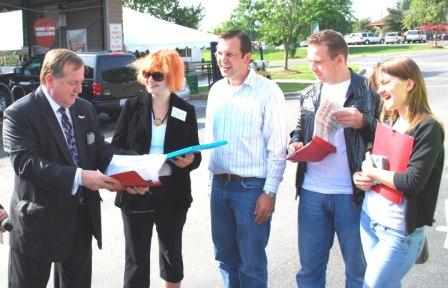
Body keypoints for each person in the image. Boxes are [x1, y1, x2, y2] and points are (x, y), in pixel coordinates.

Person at [2, 48, 123, 288]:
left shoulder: (84, 108)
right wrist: (80, 177)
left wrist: (130, 169)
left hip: (80, 221)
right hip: (36, 227)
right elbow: (26, 164)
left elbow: (99, 150)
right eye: (73, 82)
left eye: (81, 82)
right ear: (50, 80)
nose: (79, 89)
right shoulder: (19, 114)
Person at [288, 29, 380, 287]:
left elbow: (390, 132)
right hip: (311, 193)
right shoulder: (310, 93)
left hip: (354, 194)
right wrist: (295, 142)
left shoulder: (368, 90)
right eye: (309, 61)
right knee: (309, 270)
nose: (312, 67)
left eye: (319, 61)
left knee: (358, 271)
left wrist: (364, 122)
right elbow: (299, 127)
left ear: (340, 59)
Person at [111, 49, 201, 288]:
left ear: (171, 77)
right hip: (136, 190)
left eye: (158, 75)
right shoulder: (132, 106)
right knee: (136, 260)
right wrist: (141, 163)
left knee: (172, 255)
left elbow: (196, 153)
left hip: (173, 193)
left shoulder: (185, 110)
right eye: (147, 73)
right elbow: (116, 148)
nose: (151, 79)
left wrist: (190, 160)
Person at [205, 29, 288, 288]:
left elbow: (277, 147)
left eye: (230, 53)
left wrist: (270, 192)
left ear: (247, 57)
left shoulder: (267, 91)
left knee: (251, 263)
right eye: (219, 53)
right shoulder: (216, 91)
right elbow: (210, 141)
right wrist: (211, 185)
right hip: (220, 187)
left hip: (251, 190)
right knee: (225, 258)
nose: (223, 59)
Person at [353, 57, 445, 287]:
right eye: (378, 85)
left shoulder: (428, 127)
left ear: (409, 84)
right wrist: (364, 177)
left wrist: (372, 172)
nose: (379, 90)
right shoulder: (390, 121)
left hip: (397, 233)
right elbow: (377, 165)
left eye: (385, 83)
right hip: (369, 220)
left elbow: (413, 181)